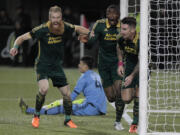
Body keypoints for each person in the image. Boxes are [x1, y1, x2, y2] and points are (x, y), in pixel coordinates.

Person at [10, 5, 89, 129]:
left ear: (61, 17)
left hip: (57, 67)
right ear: (49, 18)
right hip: (43, 65)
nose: (56, 20)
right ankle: (36, 116)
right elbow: (21, 37)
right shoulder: (42, 29)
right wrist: (15, 47)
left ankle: (68, 120)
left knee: (67, 94)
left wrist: (92, 34)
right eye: (53, 17)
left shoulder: (65, 27)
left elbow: (78, 28)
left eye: (58, 17)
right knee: (44, 89)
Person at [79, 5, 125, 130]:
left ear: (118, 16)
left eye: (115, 14)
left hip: (117, 63)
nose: (112, 16)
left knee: (119, 90)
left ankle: (118, 121)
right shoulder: (99, 25)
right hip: (103, 64)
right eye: (109, 14)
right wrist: (86, 41)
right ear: (106, 16)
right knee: (111, 97)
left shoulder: (123, 27)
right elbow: (91, 43)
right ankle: (122, 100)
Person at [19, 56, 107, 116]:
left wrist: (65, 104)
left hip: (91, 109)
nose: (78, 66)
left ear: (86, 66)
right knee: (76, 101)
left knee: (61, 107)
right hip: (101, 107)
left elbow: (72, 96)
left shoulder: (84, 77)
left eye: (80, 64)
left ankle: (29, 110)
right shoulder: (96, 75)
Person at [117, 17, 139, 133]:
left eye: (124, 29)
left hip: (142, 68)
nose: (122, 31)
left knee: (138, 95)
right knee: (126, 99)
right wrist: (120, 64)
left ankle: (135, 123)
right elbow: (119, 48)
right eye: (122, 28)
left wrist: (132, 76)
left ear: (132, 30)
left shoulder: (140, 40)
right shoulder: (121, 39)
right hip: (129, 67)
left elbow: (142, 61)